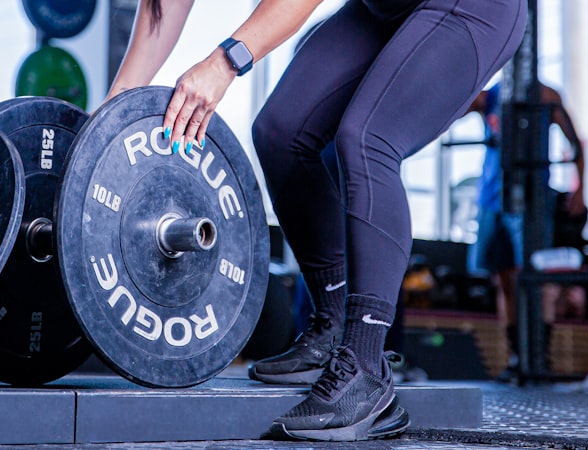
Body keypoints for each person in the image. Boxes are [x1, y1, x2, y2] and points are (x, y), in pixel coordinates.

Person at [106, 0, 526, 441]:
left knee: (367, 140)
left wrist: (225, 61)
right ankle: (333, 328)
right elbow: (164, 7)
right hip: (386, 9)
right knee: (280, 133)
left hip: (471, 7)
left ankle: (365, 372)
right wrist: (112, 113)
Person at [465, 81, 587, 379]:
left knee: (536, 280)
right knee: (503, 280)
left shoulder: (546, 95)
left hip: (533, 202)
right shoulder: (487, 99)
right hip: (492, 201)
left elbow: (576, 144)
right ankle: (517, 358)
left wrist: (580, 188)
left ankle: (538, 357)